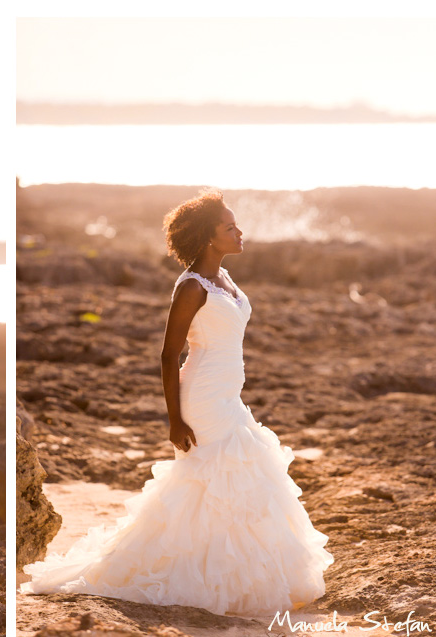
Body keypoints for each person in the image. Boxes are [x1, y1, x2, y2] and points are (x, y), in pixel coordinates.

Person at [21, 189, 333, 616]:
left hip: (228, 394)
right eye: (229, 227)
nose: (240, 232)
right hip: (202, 398)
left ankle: (234, 575)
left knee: (237, 480)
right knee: (207, 480)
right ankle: (191, 576)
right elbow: (169, 355)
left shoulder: (223, 278)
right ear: (208, 237)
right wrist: (174, 421)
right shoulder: (191, 286)